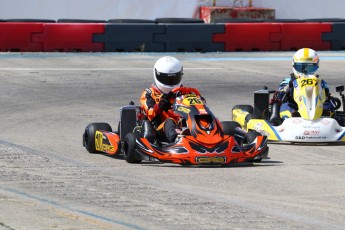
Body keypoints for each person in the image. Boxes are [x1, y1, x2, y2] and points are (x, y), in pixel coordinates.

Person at [269, 48, 336, 125]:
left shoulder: (320, 82)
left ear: (316, 66)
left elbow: (328, 98)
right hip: (296, 107)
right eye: (301, 67)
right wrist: (288, 87)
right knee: (286, 105)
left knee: (328, 105)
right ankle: (294, 116)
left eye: (309, 68)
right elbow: (280, 97)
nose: (305, 71)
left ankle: (324, 115)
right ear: (294, 65)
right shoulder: (287, 81)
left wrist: (327, 95)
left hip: (317, 107)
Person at [140, 56, 185, 143]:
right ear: (157, 74)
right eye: (166, 79)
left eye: (174, 78)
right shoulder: (149, 93)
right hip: (160, 129)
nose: (170, 82)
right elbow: (150, 114)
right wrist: (159, 107)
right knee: (169, 122)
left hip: (184, 124)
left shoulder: (185, 93)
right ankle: (177, 140)